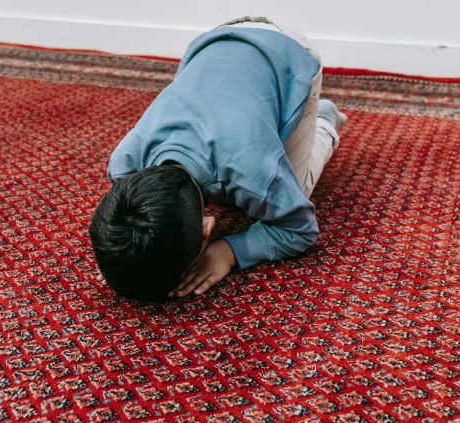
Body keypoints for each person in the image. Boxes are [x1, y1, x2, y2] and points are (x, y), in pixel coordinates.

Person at [89, 16, 347, 302]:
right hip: (215, 42)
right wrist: (120, 257)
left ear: (207, 230)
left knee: (296, 189)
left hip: (289, 55)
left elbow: (299, 228)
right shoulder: (124, 164)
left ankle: (322, 120)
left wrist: (228, 252)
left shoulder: (255, 172)